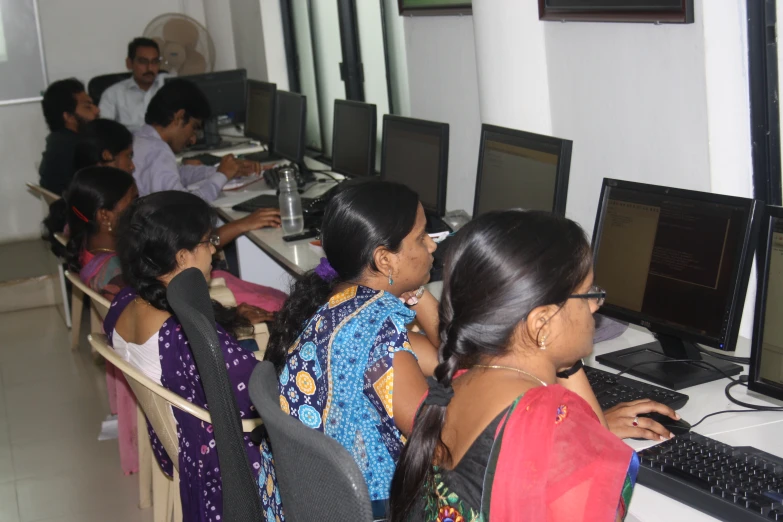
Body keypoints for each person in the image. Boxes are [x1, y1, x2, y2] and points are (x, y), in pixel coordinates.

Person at [388, 210, 675, 521]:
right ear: (541, 321)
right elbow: (591, 476)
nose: (595, 304)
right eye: (588, 293)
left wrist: (560, 355)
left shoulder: (461, 380)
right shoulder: (555, 425)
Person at [105, 191, 283, 521]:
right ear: (183, 257)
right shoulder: (184, 336)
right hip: (219, 455)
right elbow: (258, 394)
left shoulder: (126, 300)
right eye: (207, 241)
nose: (215, 249)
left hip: (181, 434)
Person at [263, 180, 440, 511]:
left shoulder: (339, 304)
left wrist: (413, 289)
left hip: (309, 502)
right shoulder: (380, 340)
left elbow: (442, 357)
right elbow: (438, 445)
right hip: (365, 506)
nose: (431, 246)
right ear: (385, 260)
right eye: (420, 237)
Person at [133, 79, 259, 202]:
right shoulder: (158, 152)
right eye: (194, 128)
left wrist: (222, 170)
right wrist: (221, 176)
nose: (193, 139)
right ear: (180, 117)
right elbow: (185, 207)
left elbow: (178, 174)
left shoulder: (142, 138)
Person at [64, 166, 137, 301]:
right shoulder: (116, 276)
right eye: (133, 201)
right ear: (105, 216)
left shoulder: (86, 239)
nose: (139, 206)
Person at [39, 79, 100, 195]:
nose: (97, 110)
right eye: (88, 107)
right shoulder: (78, 149)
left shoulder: (56, 141)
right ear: (68, 117)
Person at [98, 38, 168, 132]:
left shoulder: (169, 85)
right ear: (129, 63)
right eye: (143, 62)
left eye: (154, 62)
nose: (149, 68)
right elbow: (103, 131)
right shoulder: (112, 94)